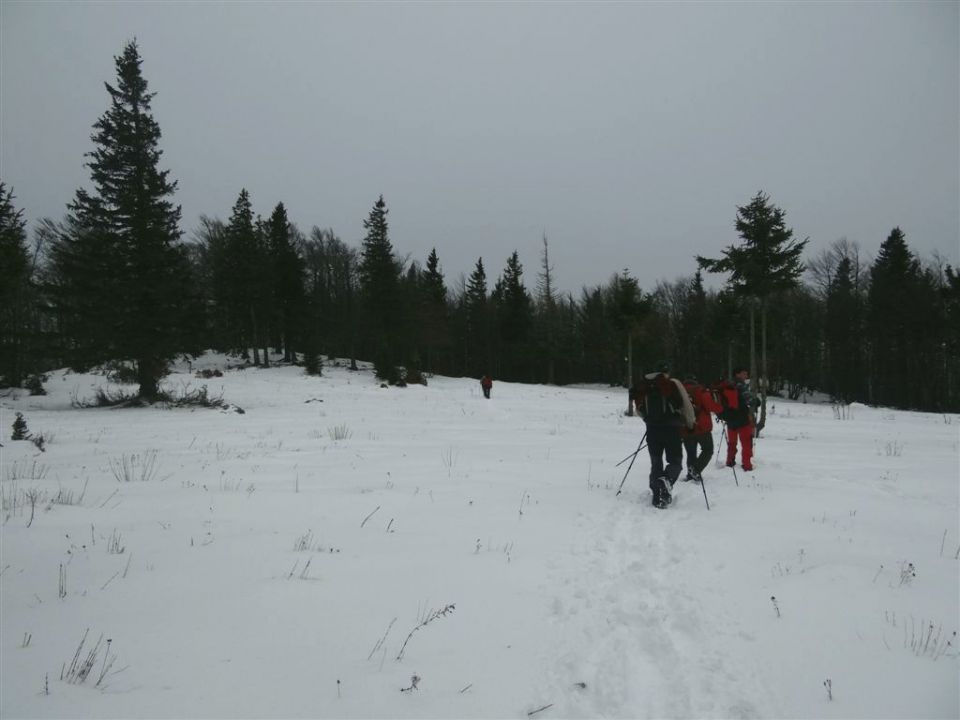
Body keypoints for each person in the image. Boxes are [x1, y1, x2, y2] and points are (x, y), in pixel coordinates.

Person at [633, 362, 695, 509]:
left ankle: (658, 495)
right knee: (675, 462)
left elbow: (639, 409)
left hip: (652, 430)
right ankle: (665, 481)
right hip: (671, 429)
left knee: (656, 462)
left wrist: (650, 420)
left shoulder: (643, 385)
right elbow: (685, 404)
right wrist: (690, 423)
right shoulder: (672, 384)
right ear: (666, 372)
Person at [681, 375, 723, 483]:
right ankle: (695, 470)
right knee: (708, 450)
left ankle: (691, 475)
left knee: (691, 453)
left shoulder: (680, 392)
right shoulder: (701, 390)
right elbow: (712, 407)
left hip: (686, 427)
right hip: (701, 427)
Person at [724, 366, 757, 471]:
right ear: (737, 374)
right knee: (746, 442)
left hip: (730, 418)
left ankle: (730, 461)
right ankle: (747, 465)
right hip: (742, 418)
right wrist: (756, 401)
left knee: (732, 442)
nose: (746, 376)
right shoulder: (741, 385)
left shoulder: (727, 384)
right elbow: (749, 399)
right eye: (744, 373)